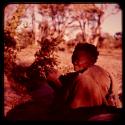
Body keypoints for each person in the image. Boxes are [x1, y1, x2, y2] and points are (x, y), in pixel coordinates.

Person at [47, 43, 121, 121]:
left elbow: (76, 112)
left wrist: (57, 85)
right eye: (73, 57)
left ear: (91, 59)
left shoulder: (85, 79)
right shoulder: (81, 74)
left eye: (78, 59)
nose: (74, 61)